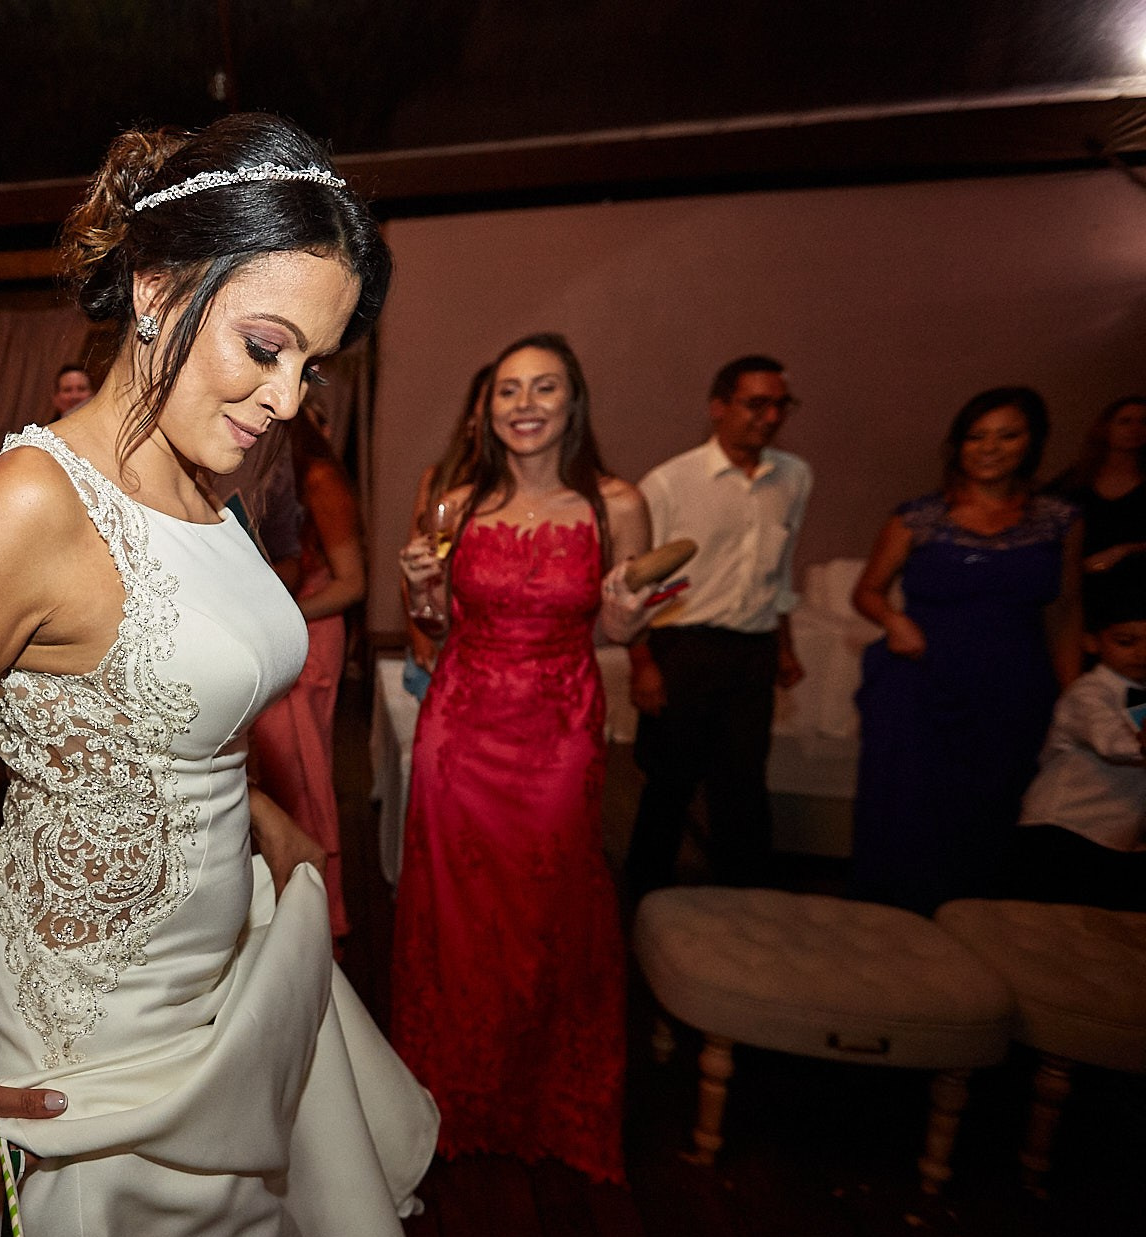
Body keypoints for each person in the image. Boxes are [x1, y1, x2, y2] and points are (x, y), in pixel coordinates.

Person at [0, 113, 436, 1237]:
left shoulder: (208, 479)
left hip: (219, 970)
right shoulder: (24, 512)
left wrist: (252, 812)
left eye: (311, 366)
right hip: (80, 1017)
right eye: (266, 347)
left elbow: (159, 705)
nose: (283, 398)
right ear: (156, 291)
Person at [393, 333, 656, 1182]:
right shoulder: (454, 498)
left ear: (573, 401)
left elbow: (615, 628)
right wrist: (423, 589)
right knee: (456, 918)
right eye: (509, 390)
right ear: (488, 407)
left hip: (559, 727)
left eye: (545, 388)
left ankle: (541, 1092)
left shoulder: (616, 503)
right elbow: (432, 624)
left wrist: (628, 612)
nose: (526, 404)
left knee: (550, 906)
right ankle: (449, 1096)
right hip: (460, 728)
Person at [851, 387, 1083, 910]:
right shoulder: (919, 517)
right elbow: (867, 590)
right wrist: (893, 619)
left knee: (997, 803)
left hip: (1013, 683)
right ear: (958, 445)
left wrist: (1070, 693)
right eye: (977, 436)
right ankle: (896, 921)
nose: (990, 448)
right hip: (921, 679)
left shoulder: (1059, 519)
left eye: (1007, 435)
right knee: (909, 806)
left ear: (1032, 442)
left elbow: (1066, 609)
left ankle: (977, 925)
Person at [625, 355, 812, 897]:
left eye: (781, 404)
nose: (770, 416)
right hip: (683, 648)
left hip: (751, 650)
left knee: (743, 785)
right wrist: (643, 664)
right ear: (719, 408)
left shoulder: (793, 478)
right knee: (669, 784)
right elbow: (634, 582)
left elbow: (780, 570)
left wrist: (784, 647)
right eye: (757, 403)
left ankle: (744, 908)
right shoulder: (669, 483)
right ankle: (644, 901)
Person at [248, 411, 365, 938]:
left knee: (304, 774)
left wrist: (280, 615)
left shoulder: (318, 478)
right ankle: (286, 907)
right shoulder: (266, 478)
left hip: (312, 631)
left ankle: (325, 914)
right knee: (277, 773)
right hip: (280, 629)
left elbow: (352, 583)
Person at [1009, 570, 1146, 911]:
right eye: (1125, 641)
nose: (1141, 653)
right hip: (1062, 830)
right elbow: (1112, 741)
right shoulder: (1088, 694)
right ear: (1091, 642)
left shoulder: (1140, 695)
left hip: (1115, 836)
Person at [402, 361, 492, 700]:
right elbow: (414, 567)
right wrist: (420, 636)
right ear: (472, 419)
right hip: (441, 638)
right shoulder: (441, 481)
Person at [1049, 395, 1146, 623]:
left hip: (1137, 590)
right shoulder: (1075, 482)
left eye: (1143, 422)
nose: (1135, 429)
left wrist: (1124, 550)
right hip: (1085, 590)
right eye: (1125, 421)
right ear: (1105, 427)